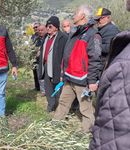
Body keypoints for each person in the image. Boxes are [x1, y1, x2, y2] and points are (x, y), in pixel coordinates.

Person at [53, 5, 102, 133]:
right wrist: (64, 73)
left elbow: (95, 59)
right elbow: (68, 54)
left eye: (76, 13)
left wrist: (92, 81)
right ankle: (53, 126)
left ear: (82, 16)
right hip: (69, 77)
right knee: (63, 102)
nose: (73, 15)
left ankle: (88, 133)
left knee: (85, 109)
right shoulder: (75, 32)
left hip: (82, 80)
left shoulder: (93, 35)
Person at [90, 0, 130, 149]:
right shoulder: (102, 31)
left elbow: (107, 49)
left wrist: (98, 45)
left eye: (99, 19)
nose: (97, 22)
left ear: (107, 18)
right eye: (96, 20)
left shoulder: (112, 31)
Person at [38, 16, 68, 112]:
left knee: (58, 87)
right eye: (47, 26)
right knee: (48, 87)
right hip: (46, 66)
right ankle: (51, 105)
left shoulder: (63, 38)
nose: (48, 28)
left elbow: (65, 54)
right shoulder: (46, 37)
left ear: (56, 27)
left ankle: (60, 106)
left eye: (50, 26)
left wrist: (63, 70)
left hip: (58, 67)